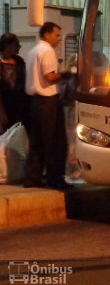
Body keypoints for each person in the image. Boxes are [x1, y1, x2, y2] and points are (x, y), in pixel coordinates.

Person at [24, 22, 73, 190]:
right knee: (55, 141)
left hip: (34, 101)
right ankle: (55, 179)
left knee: (36, 141)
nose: (59, 39)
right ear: (46, 34)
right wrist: (66, 74)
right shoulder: (47, 51)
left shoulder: (33, 51)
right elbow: (50, 77)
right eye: (57, 35)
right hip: (48, 101)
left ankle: (32, 177)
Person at [0, 33, 29, 134]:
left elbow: (24, 84)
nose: (19, 47)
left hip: (19, 107)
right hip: (4, 106)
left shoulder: (19, 62)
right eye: (17, 44)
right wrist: (2, 113)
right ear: (8, 45)